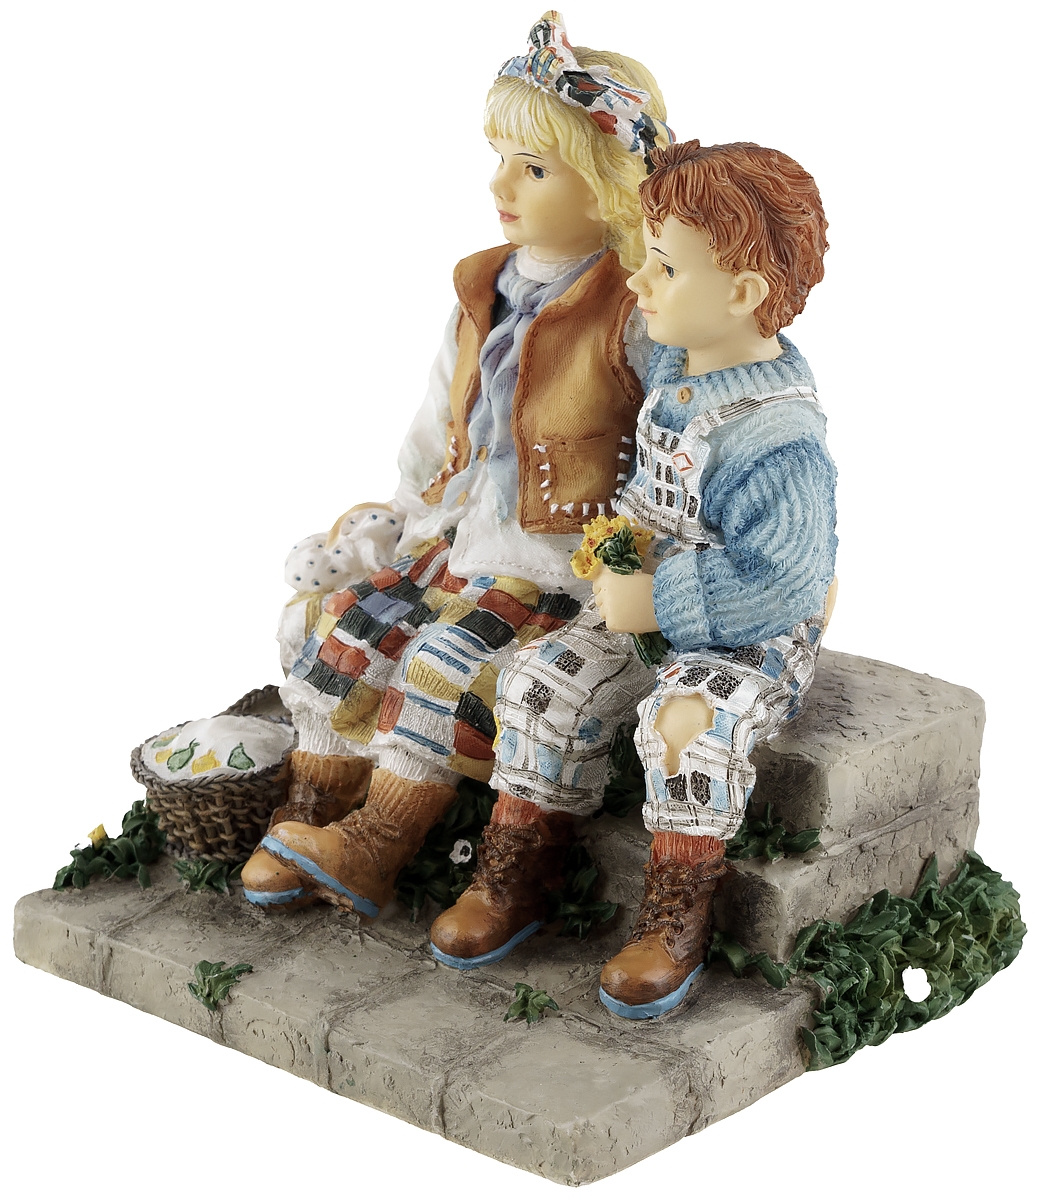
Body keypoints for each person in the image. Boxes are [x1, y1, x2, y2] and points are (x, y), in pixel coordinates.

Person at [242, 12, 674, 912]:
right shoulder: (484, 290)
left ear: (608, 188)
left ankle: (378, 844)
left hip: (549, 561)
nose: (499, 183)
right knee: (348, 623)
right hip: (461, 537)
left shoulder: (637, 310)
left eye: (534, 168)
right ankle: (315, 806)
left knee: (441, 659)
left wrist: (629, 566)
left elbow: (667, 458)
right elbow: (437, 423)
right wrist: (407, 512)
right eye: (499, 157)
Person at [429, 139, 838, 1020]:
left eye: (664, 266)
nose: (638, 280)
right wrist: (618, 548)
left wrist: (658, 599)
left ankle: (677, 905)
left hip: (747, 628)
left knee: (684, 721)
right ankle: (522, 866)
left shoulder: (777, 437)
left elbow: (784, 580)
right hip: (641, 592)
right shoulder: (680, 362)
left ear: (742, 294)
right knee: (541, 681)